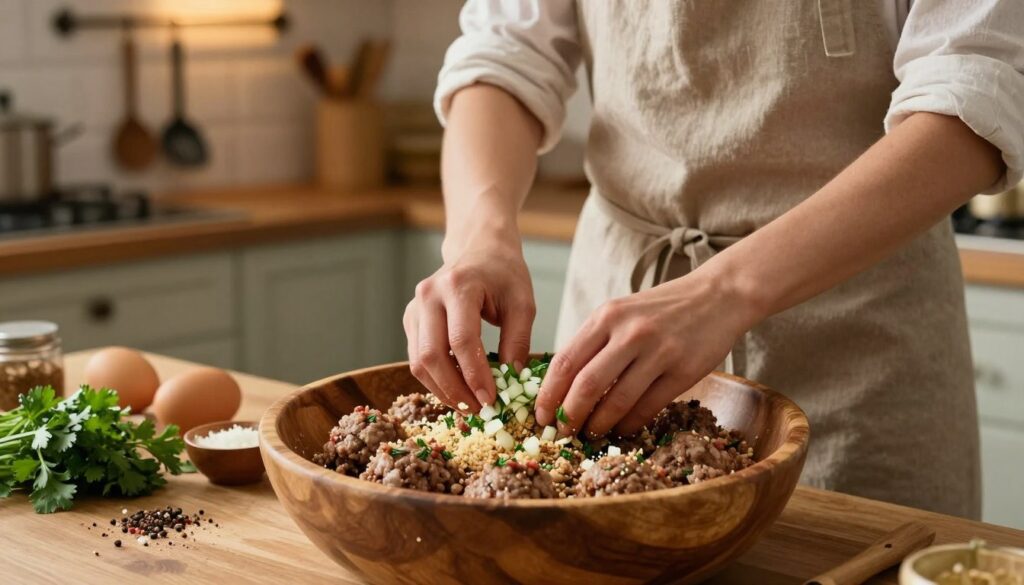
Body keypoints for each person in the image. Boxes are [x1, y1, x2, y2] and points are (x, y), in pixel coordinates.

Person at [402, 0, 1024, 517]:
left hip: (861, 339)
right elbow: (504, 56)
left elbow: (976, 90)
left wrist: (724, 291)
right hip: (615, 323)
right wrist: (480, 234)